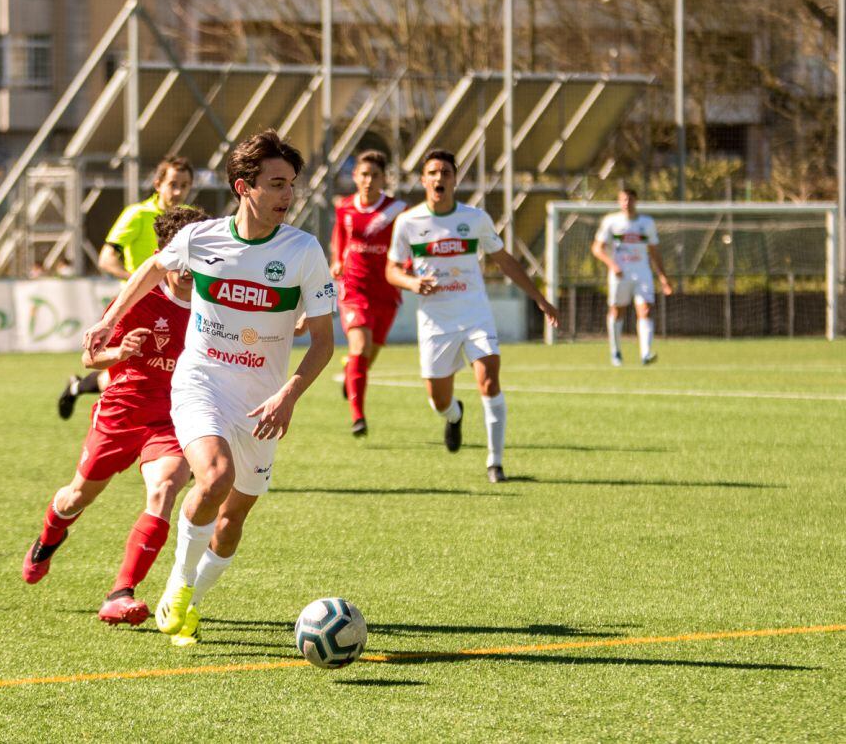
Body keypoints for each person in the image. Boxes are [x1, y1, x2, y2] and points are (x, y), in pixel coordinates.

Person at [83, 129, 335, 647]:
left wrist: (288, 394)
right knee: (214, 475)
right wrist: (111, 320)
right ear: (245, 187)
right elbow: (154, 266)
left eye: (292, 185)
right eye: (277, 184)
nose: (288, 196)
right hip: (201, 382)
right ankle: (177, 585)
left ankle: (192, 595)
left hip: (263, 401)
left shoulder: (304, 251)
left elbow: (326, 341)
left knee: (233, 518)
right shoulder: (203, 238)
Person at [23, 206, 207, 626]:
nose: (190, 266)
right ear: (164, 253)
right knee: (76, 497)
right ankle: (49, 536)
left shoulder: (209, 302)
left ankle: (120, 593)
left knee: (165, 490)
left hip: (174, 416)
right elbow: (90, 358)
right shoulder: (140, 296)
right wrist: (119, 353)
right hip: (123, 411)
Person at [385, 149, 559, 484]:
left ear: (454, 179)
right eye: (433, 173)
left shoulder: (475, 219)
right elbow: (391, 270)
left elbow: (504, 260)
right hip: (435, 322)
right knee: (438, 400)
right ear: (423, 180)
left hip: (475, 313)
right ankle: (454, 415)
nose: (439, 178)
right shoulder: (408, 222)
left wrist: (539, 298)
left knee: (490, 377)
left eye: (446, 173)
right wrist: (412, 282)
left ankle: (495, 463)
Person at [57, 155, 195, 420]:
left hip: (178, 303)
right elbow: (106, 259)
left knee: (153, 369)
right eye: (173, 184)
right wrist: (141, 280)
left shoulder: (189, 221)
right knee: (131, 371)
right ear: (158, 184)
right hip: (137, 307)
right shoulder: (137, 214)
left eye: (185, 186)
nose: (178, 192)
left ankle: (78, 387)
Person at [330, 150, 407, 437]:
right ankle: (358, 417)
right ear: (355, 176)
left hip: (386, 291)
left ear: (384, 178)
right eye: (364, 174)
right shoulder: (346, 208)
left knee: (366, 355)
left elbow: (407, 245)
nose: (369, 180)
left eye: (375, 175)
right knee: (360, 347)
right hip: (354, 288)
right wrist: (336, 260)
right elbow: (339, 236)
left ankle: (350, 372)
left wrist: (408, 268)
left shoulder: (397, 211)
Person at [590, 188, 673, 366]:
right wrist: (612, 265)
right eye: (623, 200)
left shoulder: (646, 223)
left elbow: (654, 251)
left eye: (630, 199)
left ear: (636, 201)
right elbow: (597, 248)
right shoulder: (611, 222)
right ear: (619, 202)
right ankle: (616, 352)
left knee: (645, 310)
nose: (627, 203)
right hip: (619, 274)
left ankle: (646, 353)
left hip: (642, 272)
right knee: (617, 311)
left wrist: (663, 277)